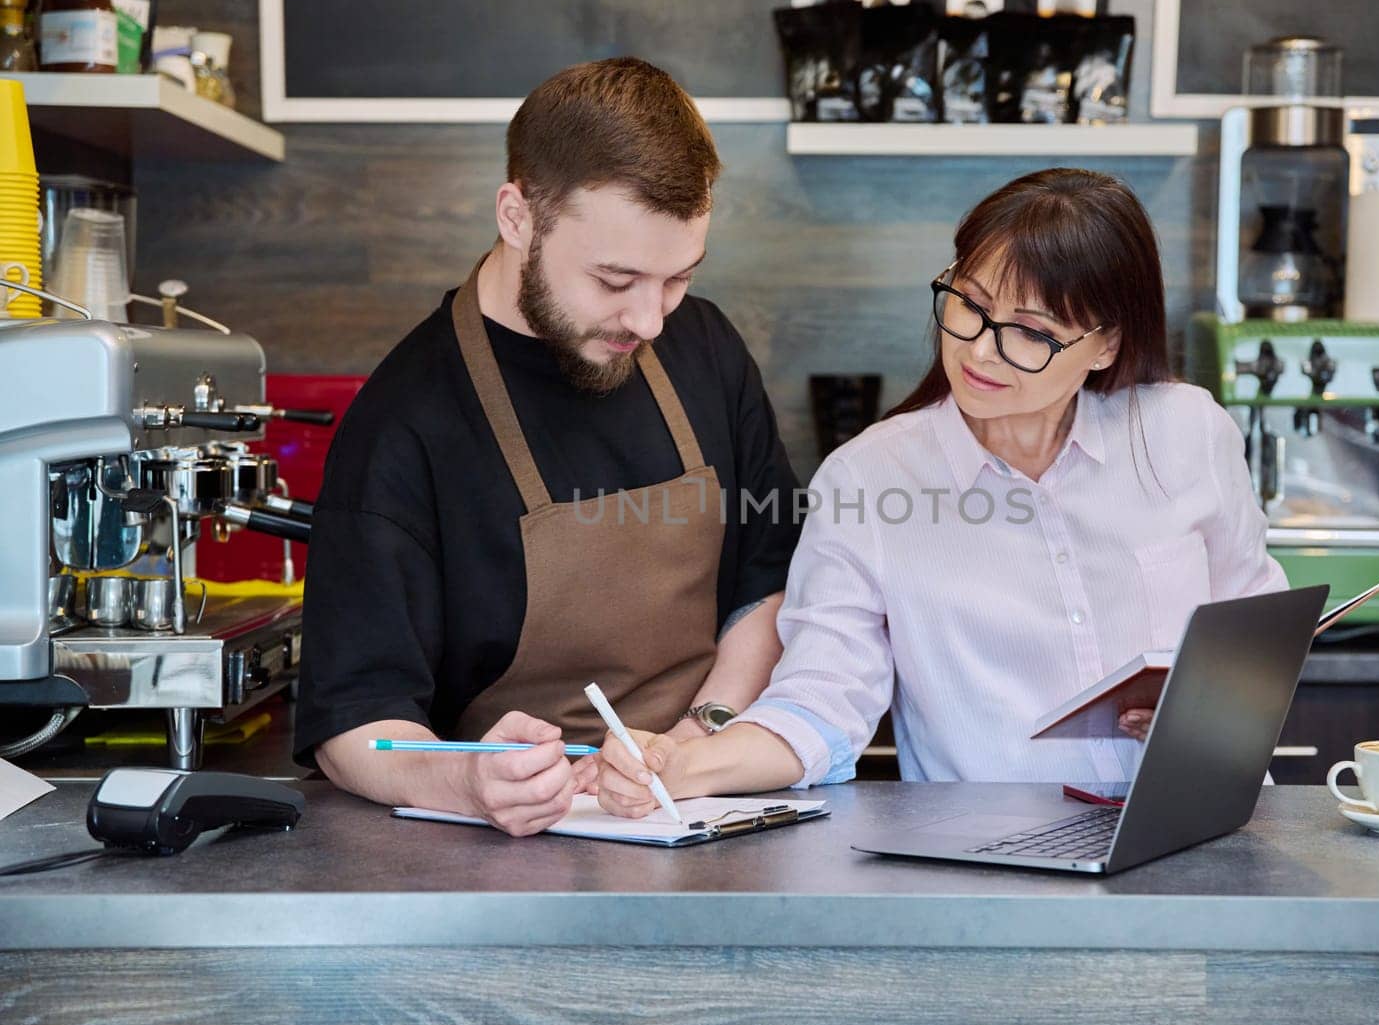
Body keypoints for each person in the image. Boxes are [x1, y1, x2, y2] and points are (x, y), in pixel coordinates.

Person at [595, 168, 1286, 817]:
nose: (980, 351)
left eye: (1032, 333)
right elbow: (820, 702)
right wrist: (683, 766)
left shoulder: (1186, 431)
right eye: (972, 305)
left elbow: (1261, 631)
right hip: (997, 857)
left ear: (1105, 345)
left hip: (1207, 824)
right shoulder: (869, 480)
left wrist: (1208, 700)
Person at [294, 58, 801, 836]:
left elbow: (768, 584)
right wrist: (469, 785)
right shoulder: (404, 423)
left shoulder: (705, 347)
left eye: (678, 279)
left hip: (709, 810)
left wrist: (698, 736)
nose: (650, 319)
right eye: (614, 278)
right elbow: (353, 724)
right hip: (514, 852)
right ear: (517, 216)